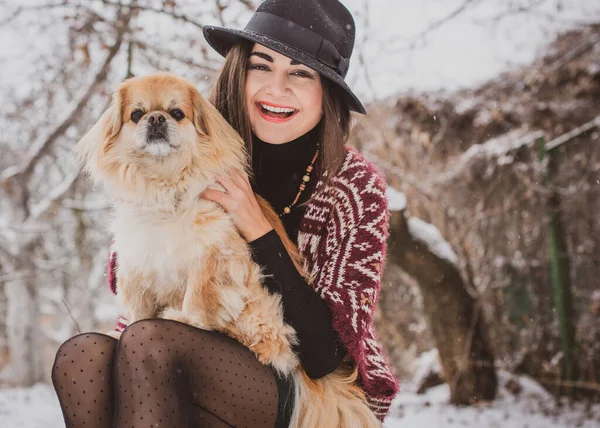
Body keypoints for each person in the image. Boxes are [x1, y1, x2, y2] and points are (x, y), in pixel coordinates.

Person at [51, 0, 399, 427]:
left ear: (326, 93)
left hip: (298, 379)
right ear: (239, 70)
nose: (277, 87)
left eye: (301, 73)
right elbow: (138, 292)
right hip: (173, 348)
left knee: (151, 344)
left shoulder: (354, 186)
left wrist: (257, 226)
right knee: (82, 357)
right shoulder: (181, 147)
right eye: (262, 65)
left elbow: (327, 354)